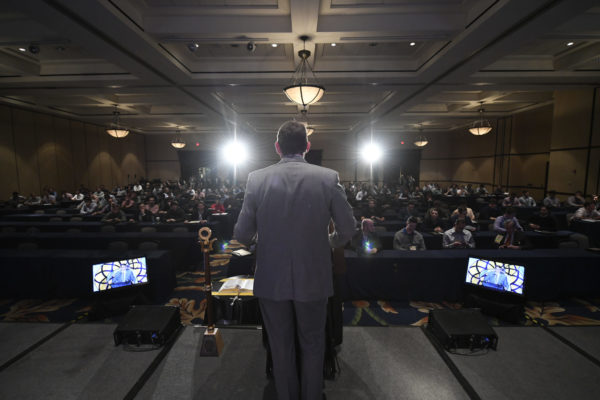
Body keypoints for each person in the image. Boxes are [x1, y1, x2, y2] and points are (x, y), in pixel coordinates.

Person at [234, 121, 356, 400]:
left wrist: (259, 244)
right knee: (313, 343)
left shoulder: (256, 178)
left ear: (277, 147)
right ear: (307, 147)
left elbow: (241, 234)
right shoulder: (328, 177)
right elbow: (348, 230)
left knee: (280, 344)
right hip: (314, 275)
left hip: (271, 277)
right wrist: (327, 243)